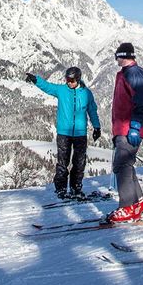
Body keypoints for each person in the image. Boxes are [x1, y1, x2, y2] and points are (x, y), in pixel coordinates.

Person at [26, 65, 101, 199]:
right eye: (67, 80)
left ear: (78, 79)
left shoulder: (87, 93)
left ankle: (75, 187)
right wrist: (35, 79)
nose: (69, 83)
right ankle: (60, 188)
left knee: (79, 163)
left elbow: (92, 110)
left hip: (80, 134)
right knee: (62, 162)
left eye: (71, 80)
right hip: (64, 133)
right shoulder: (61, 90)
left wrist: (97, 127)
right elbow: (47, 87)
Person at [106, 43, 143, 223]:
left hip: (128, 128)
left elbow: (141, 101)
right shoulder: (127, 73)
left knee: (121, 166)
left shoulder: (134, 73)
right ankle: (137, 201)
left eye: (117, 56)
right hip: (123, 128)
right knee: (126, 165)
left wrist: (135, 126)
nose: (116, 59)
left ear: (122, 56)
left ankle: (127, 207)